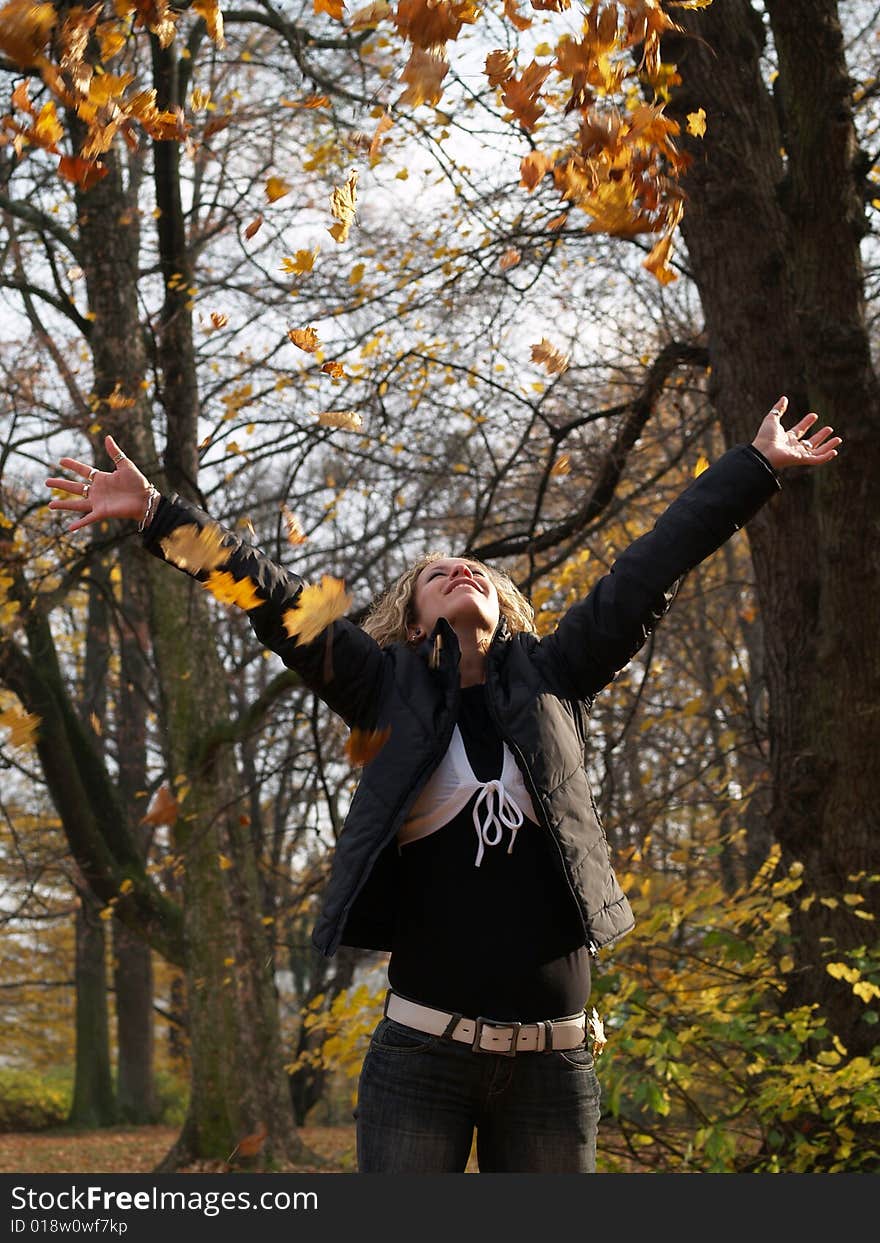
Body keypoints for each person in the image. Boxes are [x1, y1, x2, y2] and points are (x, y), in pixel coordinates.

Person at [44, 396, 841, 1173]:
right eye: (435, 574)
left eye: (476, 571)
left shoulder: (556, 675)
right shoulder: (381, 688)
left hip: (553, 1070)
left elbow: (650, 564)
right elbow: (273, 596)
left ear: (506, 610)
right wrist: (157, 516)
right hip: (420, 1060)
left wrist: (756, 465)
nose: (460, 569)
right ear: (415, 622)